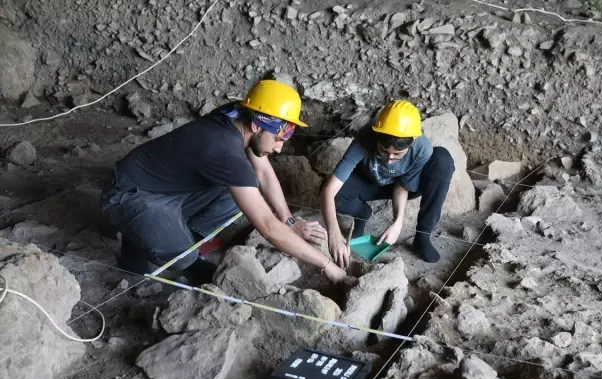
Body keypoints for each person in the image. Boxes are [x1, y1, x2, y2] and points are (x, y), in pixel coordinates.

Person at [101, 80, 347, 284]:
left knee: (240, 189)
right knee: (183, 256)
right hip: (130, 194)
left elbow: (261, 171)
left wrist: (290, 220)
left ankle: (174, 233)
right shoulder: (224, 151)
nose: (280, 148)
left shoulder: (236, 115)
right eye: (278, 139)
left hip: (167, 184)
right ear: (256, 125)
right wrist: (327, 266)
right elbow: (268, 227)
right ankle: (145, 240)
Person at [320, 100, 455, 267]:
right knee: (333, 196)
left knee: (443, 160)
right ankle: (361, 214)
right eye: (384, 151)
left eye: (398, 155)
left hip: (401, 185)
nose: (390, 160)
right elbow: (329, 190)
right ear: (376, 137)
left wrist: (398, 223)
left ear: (412, 141)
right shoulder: (364, 138)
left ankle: (422, 236)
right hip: (370, 180)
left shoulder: (422, 148)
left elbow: (403, 185)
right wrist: (333, 233)